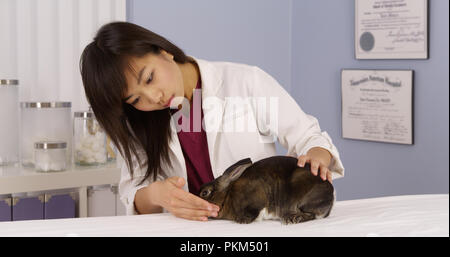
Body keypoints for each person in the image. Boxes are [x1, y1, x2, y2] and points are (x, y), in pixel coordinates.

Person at [80, 21, 344, 222]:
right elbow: (133, 193)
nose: (153, 97)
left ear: (163, 51)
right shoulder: (138, 120)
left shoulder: (246, 81)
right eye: (135, 99)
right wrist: (156, 195)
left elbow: (308, 137)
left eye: (149, 78)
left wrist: (317, 153)